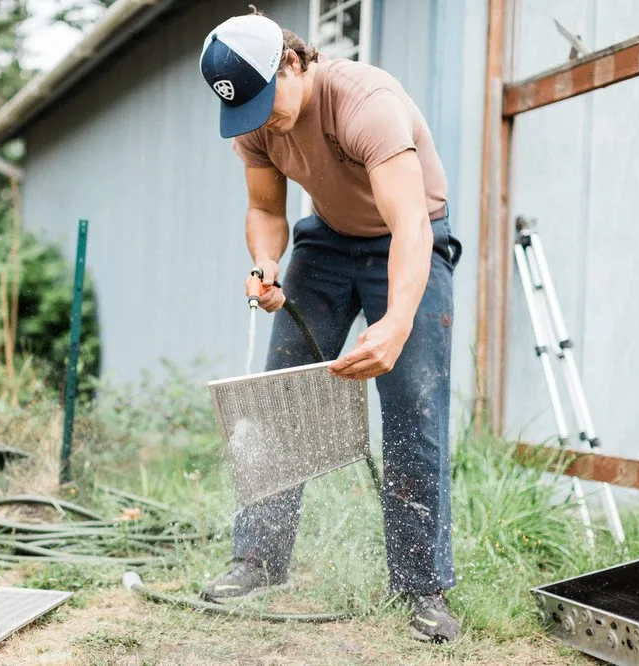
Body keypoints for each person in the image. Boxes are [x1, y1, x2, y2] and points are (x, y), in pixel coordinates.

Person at [197, 8, 463, 643]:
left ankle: (423, 588)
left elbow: (411, 225)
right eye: (248, 109)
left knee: (412, 408)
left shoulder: (365, 102)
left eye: (267, 99)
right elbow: (265, 207)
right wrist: (265, 264)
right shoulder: (256, 123)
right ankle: (258, 559)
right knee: (278, 398)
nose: (261, 117)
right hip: (326, 244)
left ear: (294, 62)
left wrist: (396, 324)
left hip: (408, 242)